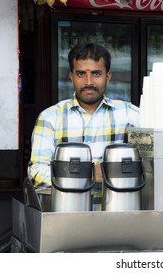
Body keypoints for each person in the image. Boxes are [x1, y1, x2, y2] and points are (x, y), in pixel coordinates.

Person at [28, 43, 140, 210]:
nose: (88, 82)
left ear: (108, 77)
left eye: (96, 74)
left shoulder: (130, 115)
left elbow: (154, 162)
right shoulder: (50, 118)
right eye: (81, 74)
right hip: (67, 220)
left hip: (119, 220)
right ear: (72, 77)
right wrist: (90, 174)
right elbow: (36, 173)